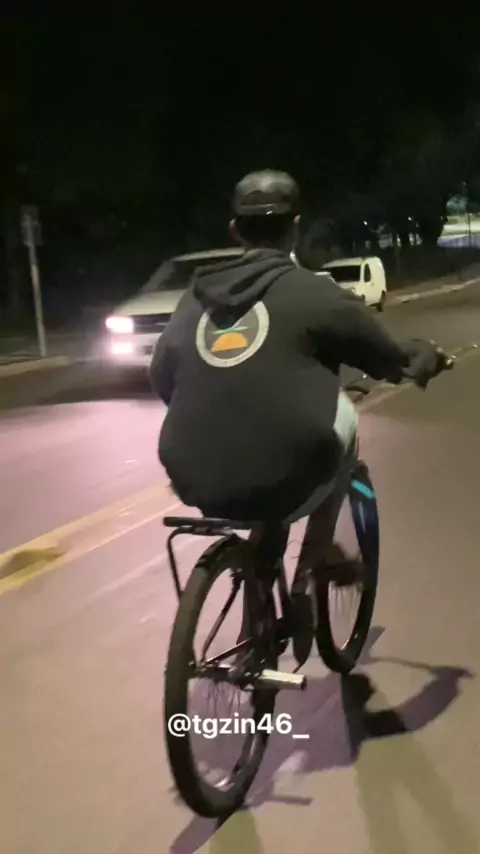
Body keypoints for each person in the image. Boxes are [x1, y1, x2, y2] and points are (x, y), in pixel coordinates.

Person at [150, 170, 449, 633]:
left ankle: (257, 595)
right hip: (280, 470)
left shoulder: (194, 299)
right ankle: (307, 578)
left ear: (235, 230)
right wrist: (426, 358)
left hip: (192, 475)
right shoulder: (316, 292)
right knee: (338, 420)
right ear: (295, 227)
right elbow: (386, 356)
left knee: (271, 449)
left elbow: (161, 376)